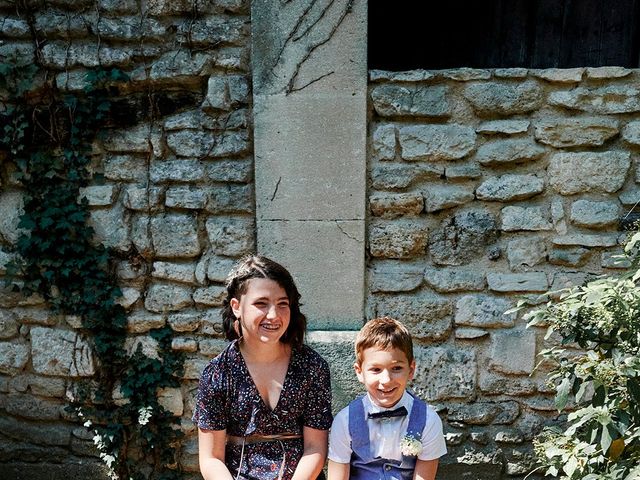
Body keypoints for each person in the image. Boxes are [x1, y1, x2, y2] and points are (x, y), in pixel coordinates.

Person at [193, 255, 333, 480]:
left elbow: (315, 447)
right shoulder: (218, 374)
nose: (273, 315)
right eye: (261, 303)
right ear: (236, 307)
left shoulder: (312, 367)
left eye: (282, 304)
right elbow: (211, 459)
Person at [327, 317, 446, 480]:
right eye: (376, 369)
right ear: (359, 372)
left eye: (396, 368)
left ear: (411, 370)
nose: (386, 380)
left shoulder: (428, 421)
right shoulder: (344, 421)